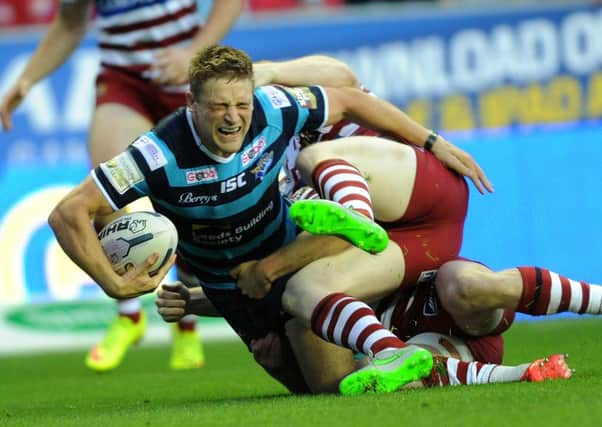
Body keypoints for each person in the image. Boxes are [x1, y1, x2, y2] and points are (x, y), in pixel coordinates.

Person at [47, 45, 492, 396]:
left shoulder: (274, 107)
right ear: (192, 104)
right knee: (310, 384)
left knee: (333, 362)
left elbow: (350, 98)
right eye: (219, 106)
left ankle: (351, 239)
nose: (234, 117)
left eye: (241, 104)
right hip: (233, 290)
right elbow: (69, 213)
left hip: (290, 252)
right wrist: (116, 284)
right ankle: (415, 353)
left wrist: (431, 142)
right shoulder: (155, 154)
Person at [0, 0, 243, 372]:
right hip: (124, 80)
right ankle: (129, 314)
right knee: (101, 191)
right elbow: (69, 22)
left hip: (189, 79)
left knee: (194, 203)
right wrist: (27, 79)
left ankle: (186, 320)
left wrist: (195, 51)